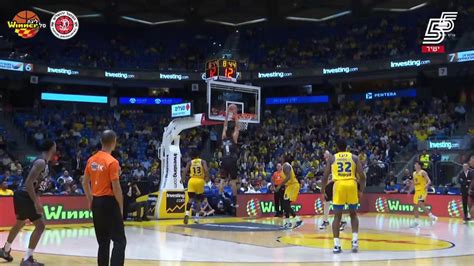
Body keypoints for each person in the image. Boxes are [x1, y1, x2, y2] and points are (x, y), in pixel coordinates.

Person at [0, 139, 56, 265]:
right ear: (52, 148)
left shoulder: (44, 162)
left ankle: (5, 249)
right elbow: (28, 183)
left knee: (20, 223)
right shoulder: (41, 161)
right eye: (55, 146)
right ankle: (27, 259)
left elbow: (34, 183)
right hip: (25, 195)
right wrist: (36, 202)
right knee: (40, 226)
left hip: (22, 195)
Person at [82, 130, 126, 266]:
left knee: (103, 241)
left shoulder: (91, 160)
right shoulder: (112, 162)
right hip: (109, 202)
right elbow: (116, 186)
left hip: (96, 202)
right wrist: (120, 206)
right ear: (114, 143)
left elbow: (84, 182)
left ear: (101, 142)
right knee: (119, 241)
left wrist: (90, 200)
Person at [322, 139, 366, 254]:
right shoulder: (354, 157)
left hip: (339, 186)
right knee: (353, 214)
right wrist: (361, 190)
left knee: (337, 217)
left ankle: (336, 245)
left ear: (336, 147)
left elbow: (325, 176)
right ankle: (355, 241)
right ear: (347, 147)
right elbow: (362, 176)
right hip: (351, 185)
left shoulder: (332, 158)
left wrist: (323, 191)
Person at [219, 104, 241, 206]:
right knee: (233, 181)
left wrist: (227, 114)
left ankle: (219, 198)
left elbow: (225, 125)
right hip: (232, 160)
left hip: (224, 159)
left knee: (222, 180)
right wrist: (235, 114)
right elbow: (237, 126)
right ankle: (236, 201)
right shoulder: (234, 139)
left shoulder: (223, 138)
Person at [181, 149, 209, 224]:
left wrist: (182, 179)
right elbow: (206, 170)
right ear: (198, 155)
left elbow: (185, 171)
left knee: (190, 199)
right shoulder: (202, 161)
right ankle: (196, 218)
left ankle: (186, 214)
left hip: (192, 180)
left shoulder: (190, 162)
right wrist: (207, 178)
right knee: (198, 200)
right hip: (200, 180)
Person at [275, 155, 303, 229]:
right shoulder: (283, 167)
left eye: (281, 157)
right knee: (284, 204)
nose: (279, 157)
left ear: (283, 158)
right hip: (289, 187)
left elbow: (288, 177)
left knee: (285, 204)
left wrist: (279, 186)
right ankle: (287, 223)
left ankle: (297, 219)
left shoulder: (286, 165)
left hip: (293, 185)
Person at [408, 161, 437, 228]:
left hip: (422, 191)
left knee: (420, 204)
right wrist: (410, 190)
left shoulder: (423, 172)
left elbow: (429, 181)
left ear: (419, 165)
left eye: (416, 164)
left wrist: (427, 185)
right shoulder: (414, 173)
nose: (414, 165)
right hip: (417, 191)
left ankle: (432, 217)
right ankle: (416, 222)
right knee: (415, 207)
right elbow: (413, 183)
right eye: (415, 164)